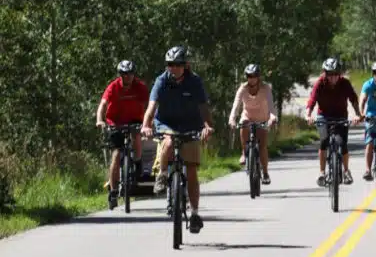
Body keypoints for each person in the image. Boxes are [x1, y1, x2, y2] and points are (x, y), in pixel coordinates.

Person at [141, 45, 214, 234]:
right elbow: (151, 107)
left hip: (191, 125)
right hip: (166, 123)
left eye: (177, 65)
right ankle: (163, 175)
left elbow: (204, 108)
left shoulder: (195, 82)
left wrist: (207, 126)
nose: (172, 68)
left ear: (185, 65)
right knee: (168, 142)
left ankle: (195, 213)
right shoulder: (161, 81)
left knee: (191, 170)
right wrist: (146, 125)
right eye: (169, 65)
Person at [96, 60, 149, 209]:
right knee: (116, 154)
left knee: (137, 137)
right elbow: (103, 105)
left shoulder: (140, 87)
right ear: (120, 75)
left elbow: (149, 107)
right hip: (115, 122)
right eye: (124, 74)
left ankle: (137, 164)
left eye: (130, 74)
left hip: (135, 120)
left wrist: (147, 123)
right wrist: (100, 120)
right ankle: (113, 191)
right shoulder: (113, 87)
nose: (127, 77)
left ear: (134, 74)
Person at [306, 57, 361, 188]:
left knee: (342, 143)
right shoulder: (320, 83)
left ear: (339, 74)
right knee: (324, 140)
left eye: (336, 74)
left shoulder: (345, 83)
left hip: (341, 116)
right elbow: (312, 101)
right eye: (330, 74)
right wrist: (308, 115)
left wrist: (358, 114)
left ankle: (346, 171)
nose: (333, 77)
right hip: (323, 116)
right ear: (325, 73)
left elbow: (353, 99)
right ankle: (321, 172)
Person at [229, 63, 278, 185]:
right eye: (249, 76)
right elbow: (236, 105)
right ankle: (244, 153)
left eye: (254, 76)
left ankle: (265, 173)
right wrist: (232, 119)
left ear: (258, 76)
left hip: (262, 118)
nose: (251, 78)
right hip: (248, 117)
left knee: (262, 147)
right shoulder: (243, 88)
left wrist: (273, 117)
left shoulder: (265, 88)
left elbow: (271, 106)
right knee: (244, 123)